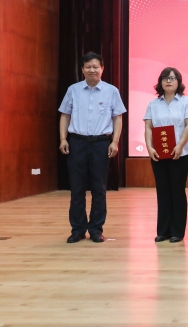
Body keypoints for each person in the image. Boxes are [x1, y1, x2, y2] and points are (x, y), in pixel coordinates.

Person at [58, 52, 127, 243]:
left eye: (95, 66)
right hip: (77, 143)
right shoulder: (73, 90)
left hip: (101, 143)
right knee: (77, 189)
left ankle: (96, 229)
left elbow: (117, 117)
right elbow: (65, 115)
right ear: (82, 69)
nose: (92, 70)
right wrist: (63, 139)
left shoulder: (111, 91)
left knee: (99, 189)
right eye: (88, 67)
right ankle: (78, 229)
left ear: (102, 68)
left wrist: (115, 141)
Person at [144, 68, 188, 243]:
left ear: (178, 82)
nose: (169, 81)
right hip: (158, 155)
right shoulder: (153, 104)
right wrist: (149, 147)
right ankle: (163, 231)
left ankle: (177, 232)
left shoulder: (186, 102)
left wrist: (180, 146)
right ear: (160, 82)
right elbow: (148, 127)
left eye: (172, 78)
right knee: (162, 191)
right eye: (165, 78)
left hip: (179, 155)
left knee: (177, 192)